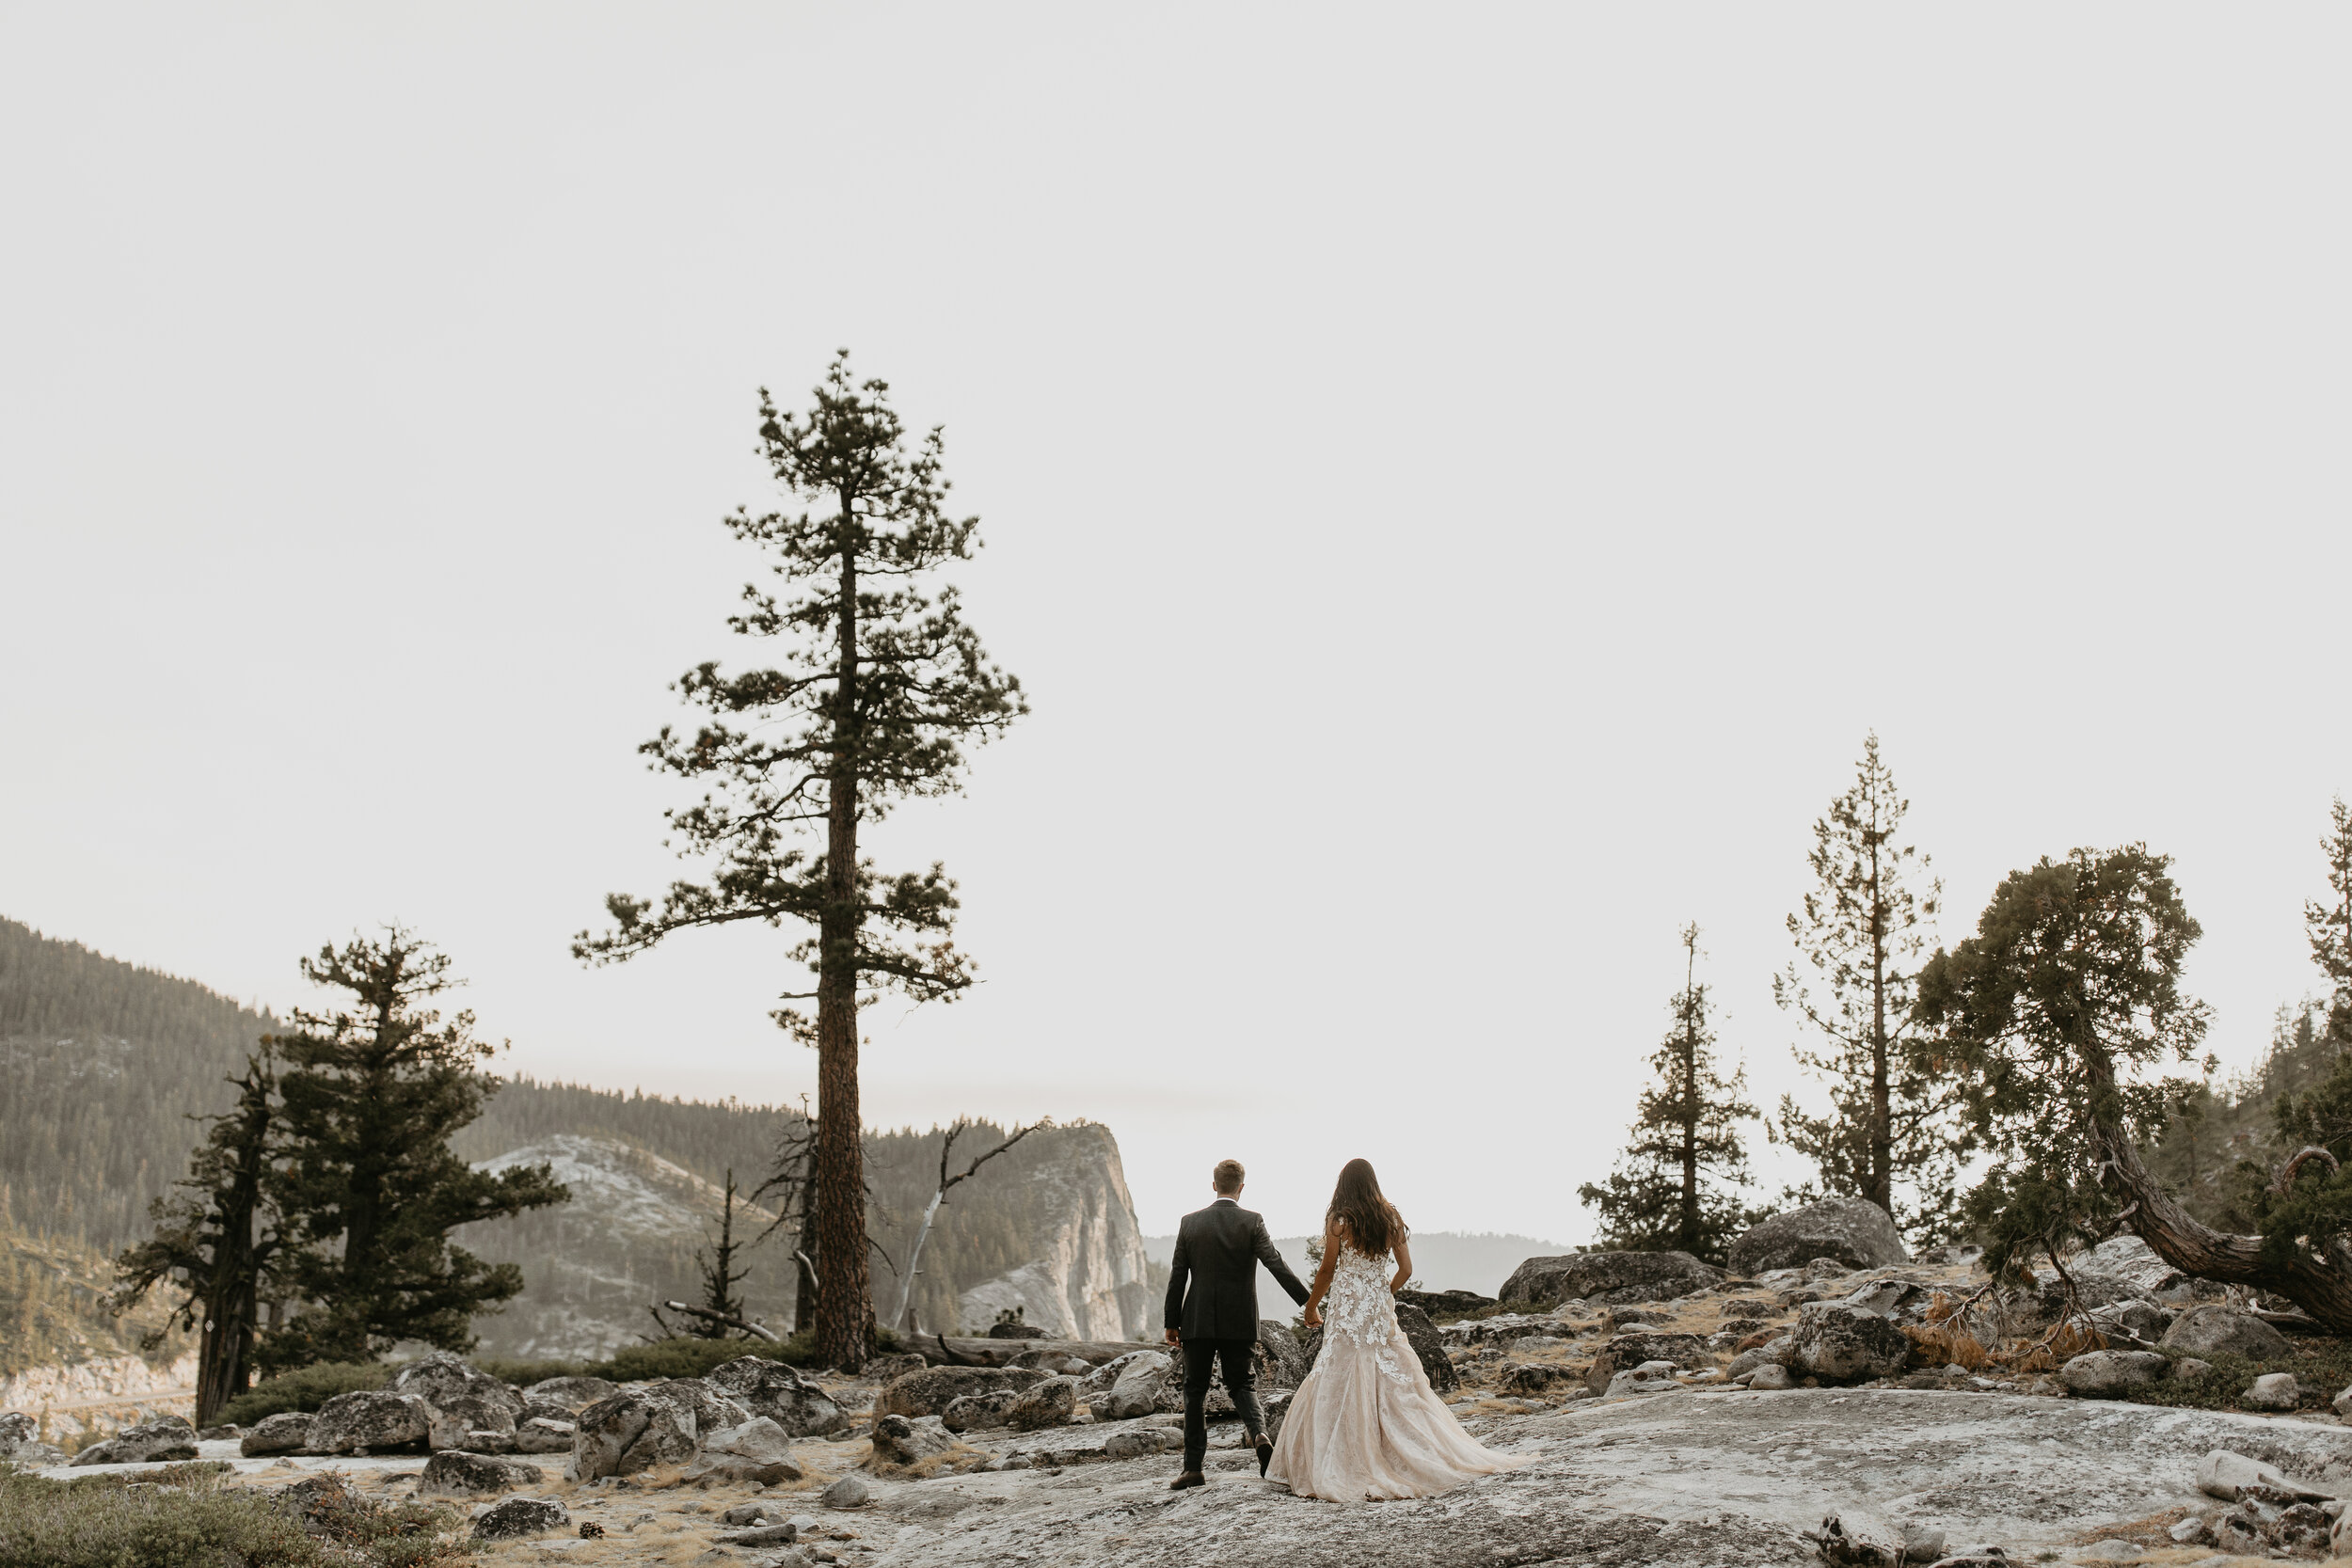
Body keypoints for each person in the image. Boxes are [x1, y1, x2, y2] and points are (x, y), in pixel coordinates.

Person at [1267, 1157, 1527, 1500]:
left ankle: (1345, 1457)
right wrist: (1381, 1292)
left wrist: (1312, 1306)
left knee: (1339, 1371)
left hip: (1347, 1309)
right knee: (1389, 1374)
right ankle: (1401, 1449)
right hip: (1376, 1308)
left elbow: (1327, 1270)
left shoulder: (1339, 1220)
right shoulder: (1390, 1219)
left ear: (1343, 1185)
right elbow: (1405, 1269)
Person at [1162, 1157, 1311, 1491]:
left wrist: (1171, 1321)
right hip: (1240, 1319)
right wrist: (1307, 1302)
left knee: (1194, 1391)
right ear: (1241, 1188)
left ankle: (1193, 1469)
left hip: (1197, 1319)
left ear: (1214, 1185)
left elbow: (1178, 1276)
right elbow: (1276, 1264)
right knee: (1242, 1385)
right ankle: (1259, 1435)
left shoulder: (1190, 1223)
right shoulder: (1252, 1221)